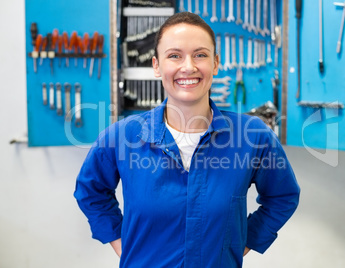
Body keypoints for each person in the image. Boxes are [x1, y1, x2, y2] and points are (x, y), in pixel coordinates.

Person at [74, 12, 300, 268]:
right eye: (174, 56)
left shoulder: (253, 136)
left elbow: (283, 196)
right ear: (157, 65)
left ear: (215, 64)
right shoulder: (121, 137)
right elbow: (90, 191)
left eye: (200, 55)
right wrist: (121, 243)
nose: (189, 66)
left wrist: (242, 244)